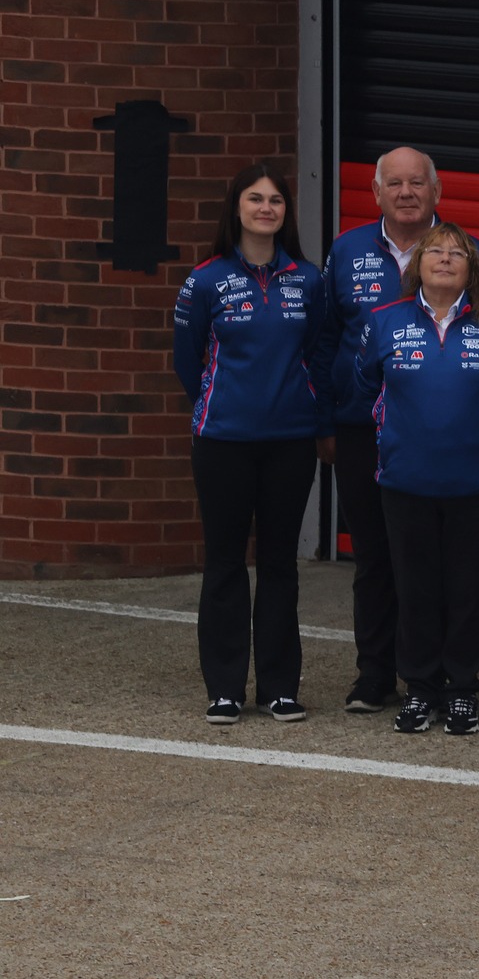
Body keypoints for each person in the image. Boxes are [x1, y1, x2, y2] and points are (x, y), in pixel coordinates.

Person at [314, 148, 479, 716]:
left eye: (417, 183)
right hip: (361, 429)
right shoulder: (346, 251)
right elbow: (324, 339)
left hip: (449, 443)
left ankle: (444, 679)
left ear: (436, 192)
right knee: (376, 557)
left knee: (445, 566)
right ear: (376, 193)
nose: (406, 193)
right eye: (394, 183)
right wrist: (326, 419)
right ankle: (375, 674)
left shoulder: (472, 252)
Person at [351, 223, 479, 737]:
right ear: (417, 264)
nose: (446, 258)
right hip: (406, 482)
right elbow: (365, 385)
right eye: (435, 250)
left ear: (472, 268)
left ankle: (462, 690)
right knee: (415, 590)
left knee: (469, 592)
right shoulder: (384, 320)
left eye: (457, 253)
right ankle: (420, 689)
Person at [173, 163, 326, 724]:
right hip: (223, 441)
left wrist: (309, 409)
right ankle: (225, 689)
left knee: (280, 563)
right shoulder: (205, 280)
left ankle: (280, 687)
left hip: (291, 441)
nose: (266, 208)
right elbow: (187, 361)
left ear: (286, 211)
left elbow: (318, 352)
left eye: (276, 200)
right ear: (236, 208)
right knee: (225, 562)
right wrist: (221, 405)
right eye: (255, 199)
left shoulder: (308, 280)